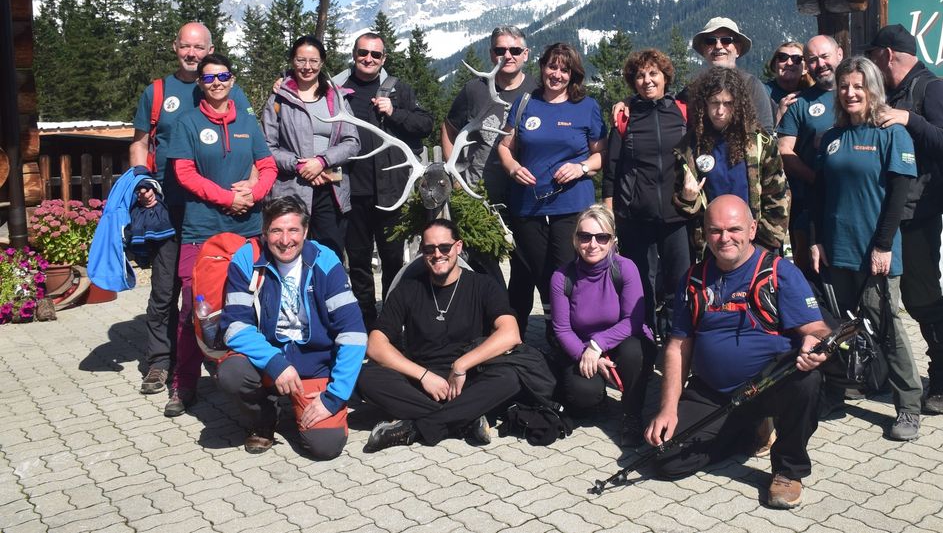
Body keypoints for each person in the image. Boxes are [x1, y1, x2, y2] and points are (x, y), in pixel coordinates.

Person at [647, 195, 829, 510]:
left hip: (767, 386)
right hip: (712, 393)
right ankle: (748, 429)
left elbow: (818, 330)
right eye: (715, 230)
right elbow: (678, 347)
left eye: (734, 229)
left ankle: (788, 469)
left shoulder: (779, 272)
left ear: (752, 229)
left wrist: (816, 345)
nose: (724, 238)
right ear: (705, 232)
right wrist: (668, 409)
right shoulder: (692, 279)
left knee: (807, 382)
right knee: (667, 460)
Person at [129, 22, 255, 397]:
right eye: (186, 46)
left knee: (218, 287)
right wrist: (141, 182)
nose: (192, 53)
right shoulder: (157, 92)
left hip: (216, 209)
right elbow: (139, 144)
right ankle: (159, 363)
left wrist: (247, 186)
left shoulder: (231, 89)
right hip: (169, 204)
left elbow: (251, 142)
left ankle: (220, 358)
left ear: (210, 49)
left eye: (199, 47)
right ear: (175, 47)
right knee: (166, 290)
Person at [810, 56, 921, 441]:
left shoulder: (891, 133)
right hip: (835, 249)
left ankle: (908, 406)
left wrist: (884, 246)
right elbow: (820, 194)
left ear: (873, 89)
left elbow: (898, 195)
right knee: (837, 328)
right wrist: (815, 240)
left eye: (858, 85)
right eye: (844, 86)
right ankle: (839, 392)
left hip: (875, 251)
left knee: (887, 326)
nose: (850, 92)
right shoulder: (831, 137)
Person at [166, 54, 277, 417]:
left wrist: (254, 193)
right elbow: (184, 173)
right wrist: (229, 197)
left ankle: (250, 376)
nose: (216, 82)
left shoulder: (246, 120)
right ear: (199, 83)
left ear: (232, 80)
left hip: (247, 229)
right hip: (202, 230)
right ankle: (183, 385)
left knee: (251, 305)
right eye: (209, 78)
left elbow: (267, 165)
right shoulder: (187, 123)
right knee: (194, 310)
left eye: (223, 76)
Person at [217, 196, 367, 458]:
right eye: (276, 230)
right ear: (264, 233)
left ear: (305, 231)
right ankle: (264, 418)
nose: (285, 240)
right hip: (267, 361)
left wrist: (334, 397)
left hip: (315, 364)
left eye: (293, 230)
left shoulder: (326, 261)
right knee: (232, 372)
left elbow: (353, 333)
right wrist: (276, 363)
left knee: (325, 447)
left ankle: (304, 404)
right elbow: (235, 325)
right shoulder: (246, 258)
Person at [357, 219, 523, 450]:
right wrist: (424, 376)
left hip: (469, 377)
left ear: (458, 247)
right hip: (421, 381)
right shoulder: (408, 289)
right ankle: (466, 418)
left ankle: (413, 429)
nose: (437, 254)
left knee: (510, 378)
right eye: (429, 249)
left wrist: (461, 365)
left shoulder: (483, 285)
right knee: (365, 376)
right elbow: (375, 344)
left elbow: (511, 333)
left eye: (444, 247)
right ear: (421, 251)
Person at [866, 24, 943, 416]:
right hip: (884, 211)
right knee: (877, 299)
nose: (872, 64)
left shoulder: (932, 89)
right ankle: (877, 371)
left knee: (922, 298)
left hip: (919, 215)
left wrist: (909, 119)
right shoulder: (889, 91)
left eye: (874, 57)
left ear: (888, 54)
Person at [495, 42, 606, 337]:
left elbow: (601, 155)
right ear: (542, 67)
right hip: (527, 207)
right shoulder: (524, 104)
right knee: (535, 272)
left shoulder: (587, 107)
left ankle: (565, 334)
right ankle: (544, 332)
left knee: (566, 272)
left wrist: (581, 167)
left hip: (571, 206)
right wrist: (513, 167)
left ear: (573, 74)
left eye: (564, 69)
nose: (556, 74)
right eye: (551, 67)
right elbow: (504, 147)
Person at [336, 32, 434, 327]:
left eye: (375, 55)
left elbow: (425, 124)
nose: (368, 59)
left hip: (391, 193)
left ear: (384, 59)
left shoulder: (397, 89)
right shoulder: (337, 89)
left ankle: (391, 322)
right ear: (354, 54)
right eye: (363, 53)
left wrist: (395, 112)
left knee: (393, 261)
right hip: (352, 190)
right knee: (359, 263)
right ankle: (365, 322)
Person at [548, 205, 656, 446]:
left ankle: (632, 414)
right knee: (582, 394)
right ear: (575, 240)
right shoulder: (561, 277)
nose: (593, 244)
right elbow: (562, 329)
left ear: (613, 240)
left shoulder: (625, 268)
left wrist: (598, 344)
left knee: (632, 353)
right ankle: (599, 399)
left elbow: (633, 320)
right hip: (584, 346)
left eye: (602, 237)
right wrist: (589, 356)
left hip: (624, 339)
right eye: (585, 236)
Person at [602, 48, 689, 332]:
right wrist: (608, 208)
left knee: (680, 284)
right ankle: (645, 344)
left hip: (678, 215)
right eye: (640, 75)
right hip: (635, 216)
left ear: (666, 78)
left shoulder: (682, 111)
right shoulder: (625, 117)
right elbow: (612, 166)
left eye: (654, 73)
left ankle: (678, 343)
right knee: (640, 287)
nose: (647, 80)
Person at [442, 25, 536, 285]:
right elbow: (449, 128)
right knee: (484, 273)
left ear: (525, 54)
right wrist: (454, 176)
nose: (508, 55)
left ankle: (517, 324)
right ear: (491, 53)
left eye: (515, 50)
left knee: (524, 273)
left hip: (524, 196)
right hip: (479, 197)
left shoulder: (537, 91)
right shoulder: (475, 90)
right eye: (500, 49)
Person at [675, 66, 788, 259]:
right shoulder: (690, 147)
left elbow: (777, 195)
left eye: (727, 103)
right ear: (704, 104)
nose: (720, 111)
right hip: (712, 246)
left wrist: (766, 244)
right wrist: (687, 198)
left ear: (738, 104)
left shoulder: (759, 143)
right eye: (714, 103)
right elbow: (685, 208)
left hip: (756, 244)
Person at [261, 35, 360, 256]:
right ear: (292, 61)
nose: (307, 67)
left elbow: (352, 142)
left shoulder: (336, 98)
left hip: (330, 188)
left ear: (322, 62)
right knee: (288, 252)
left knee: (329, 254)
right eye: (301, 60)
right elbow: (267, 147)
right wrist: (299, 165)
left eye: (314, 61)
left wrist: (322, 161)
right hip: (291, 189)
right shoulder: (279, 99)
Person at [777, 34, 843, 274]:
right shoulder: (800, 103)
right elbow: (784, 149)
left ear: (839, 54)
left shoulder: (859, 94)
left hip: (853, 201)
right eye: (813, 60)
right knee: (811, 274)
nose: (820, 64)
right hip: (808, 203)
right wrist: (815, 178)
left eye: (824, 56)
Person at [685, 17, 776, 132]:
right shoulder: (692, 89)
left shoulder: (752, 86)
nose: (718, 46)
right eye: (710, 41)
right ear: (704, 50)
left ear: (737, 49)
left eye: (726, 40)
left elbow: (765, 131)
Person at [765, 40, 813, 127]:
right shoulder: (761, 92)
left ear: (805, 68)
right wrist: (779, 114)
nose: (789, 63)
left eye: (796, 59)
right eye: (783, 57)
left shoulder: (812, 96)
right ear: (774, 65)